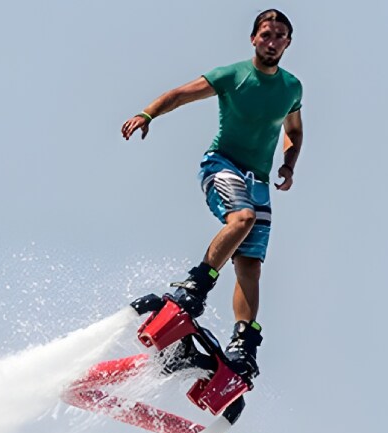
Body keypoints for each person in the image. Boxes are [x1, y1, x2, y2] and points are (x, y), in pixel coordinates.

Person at [121, 9, 303, 379]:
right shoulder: (233, 75)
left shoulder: (292, 87)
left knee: (250, 265)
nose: (272, 41)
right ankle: (195, 285)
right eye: (266, 34)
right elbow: (180, 95)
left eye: (279, 36)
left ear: (288, 42)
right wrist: (147, 114)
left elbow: (294, 130)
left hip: (260, 181)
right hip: (221, 165)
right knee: (243, 219)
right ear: (253, 38)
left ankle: (243, 343)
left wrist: (289, 164)